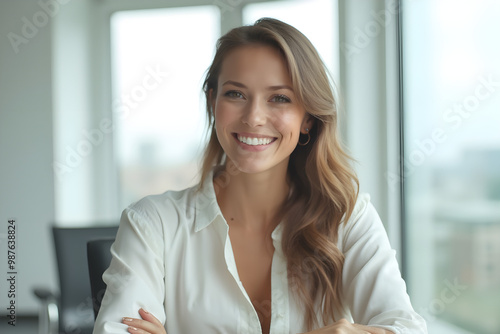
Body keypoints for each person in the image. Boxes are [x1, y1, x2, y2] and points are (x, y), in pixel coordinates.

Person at [93, 18, 427, 334]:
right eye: (236, 94)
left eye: (279, 98)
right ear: (213, 102)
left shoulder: (347, 218)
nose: (254, 117)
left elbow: (405, 326)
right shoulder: (153, 224)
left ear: (308, 118)